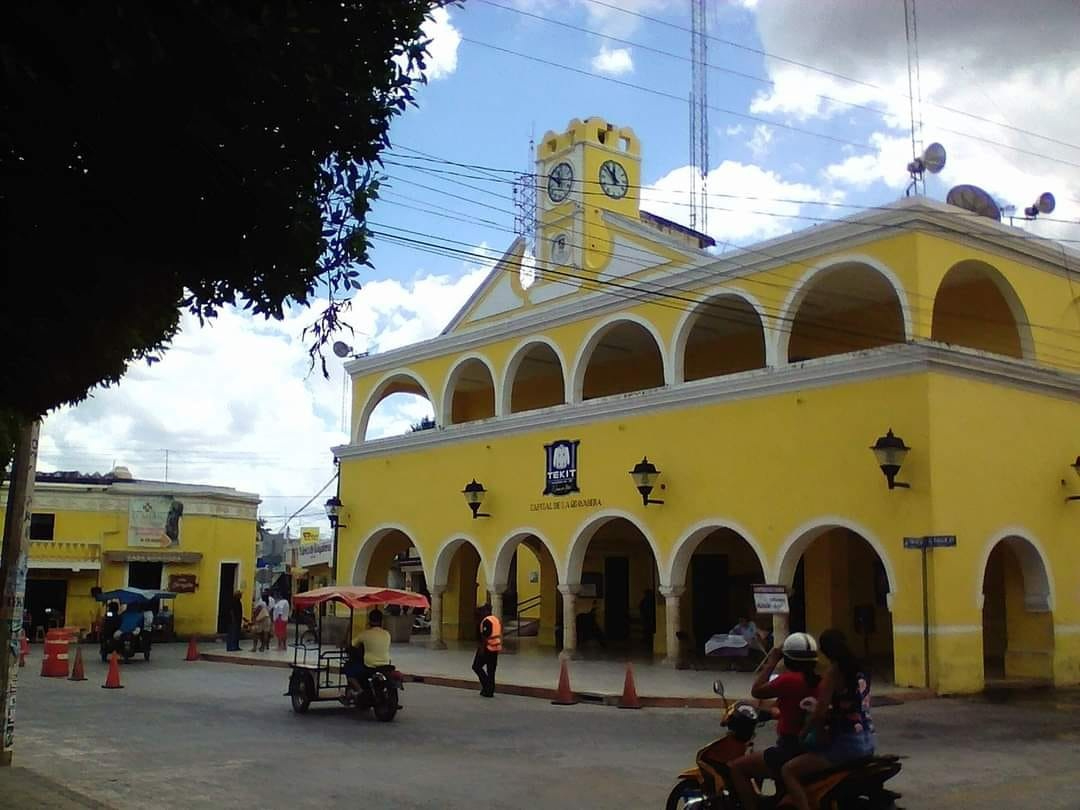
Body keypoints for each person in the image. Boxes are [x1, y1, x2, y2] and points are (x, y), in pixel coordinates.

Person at [780, 629, 876, 810]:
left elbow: (819, 714)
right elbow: (850, 704)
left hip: (847, 744)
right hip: (868, 740)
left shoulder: (834, 671)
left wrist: (803, 733)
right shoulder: (862, 670)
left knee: (788, 771)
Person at [728, 632, 821, 810]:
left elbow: (757, 690)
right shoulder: (818, 681)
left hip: (790, 747)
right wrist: (769, 712)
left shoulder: (788, 680)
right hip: (810, 746)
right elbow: (784, 707)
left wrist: (771, 660)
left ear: (788, 659)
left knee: (737, 768)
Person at [345, 608, 392, 693]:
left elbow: (351, 645)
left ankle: (360, 691)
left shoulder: (365, 634)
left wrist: (348, 630)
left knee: (349, 670)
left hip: (369, 665)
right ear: (381, 621)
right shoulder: (387, 634)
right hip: (386, 664)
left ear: (369, 620)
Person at [472, 604, 501, 698]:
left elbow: (485, 636)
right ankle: (490, 690)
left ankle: (487, 686)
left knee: (476, 666)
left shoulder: (486, 621)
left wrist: (481, 649)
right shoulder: (495, 620)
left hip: (487, 648)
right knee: (491, 670)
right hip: (495, 648)